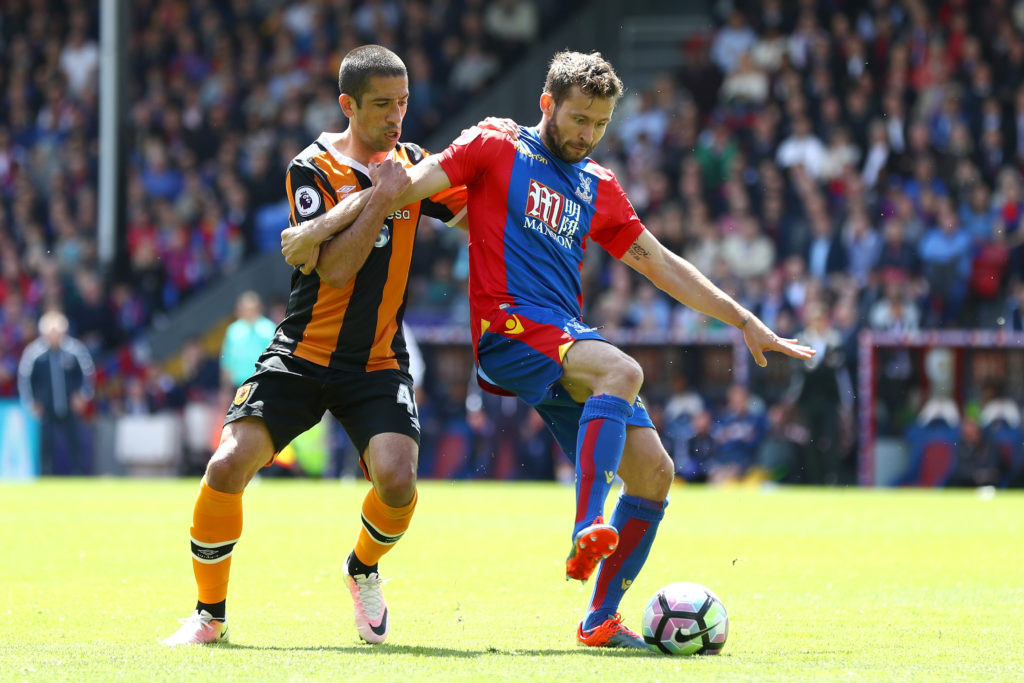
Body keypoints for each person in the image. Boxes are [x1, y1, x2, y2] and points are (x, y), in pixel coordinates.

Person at [281, 50, 814, 648]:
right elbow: (399, 186)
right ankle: (587, 522)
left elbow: (661, 263)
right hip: (507, 328)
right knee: (624, 369)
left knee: (656, 474)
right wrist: (315, 228)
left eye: (601, 124)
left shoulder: (598, 186)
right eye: (579, 119)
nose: (588, 135)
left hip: (561, 340)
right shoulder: (494, 148)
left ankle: (599, 620)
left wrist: (745, 320)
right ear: (547, 104)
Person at [164, 45, 514, 647]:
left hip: (376, 362)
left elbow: (475, 214)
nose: (396, 117)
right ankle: (209, 616)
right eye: (382, 105)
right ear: (348, 104)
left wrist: (511, 151)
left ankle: (362, 570)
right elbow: (334, 271)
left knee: (398, 479)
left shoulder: (411, 164)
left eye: (403, 103)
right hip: (301, 353)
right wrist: (381, 196)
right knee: (226, 464)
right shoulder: (313, 167)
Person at [17, 310, 95, 475]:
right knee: (46, 447)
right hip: (46, 408)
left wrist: (83, 396)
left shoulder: (74, 350)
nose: (54, 335)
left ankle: (79, 476)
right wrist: (31, 403)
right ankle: (45, 477)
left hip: (69, 407)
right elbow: (24, 379)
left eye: (57, 331)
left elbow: (88, 375)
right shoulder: (35, 353)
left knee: (75, 444)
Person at [219, 291, 276, 390]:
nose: (249, 312)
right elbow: (227, 361)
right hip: (239, 386)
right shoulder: (233, 330)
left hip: (263, 383)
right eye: (246, 309)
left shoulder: (269, 328)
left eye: (252, 309)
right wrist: (225, 389)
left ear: (259, 308)